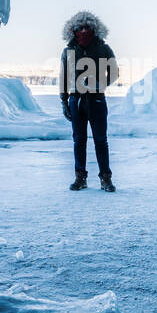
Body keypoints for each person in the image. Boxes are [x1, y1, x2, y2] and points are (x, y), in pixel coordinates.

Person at [59, 11, 118, 191]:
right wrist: (64, 101)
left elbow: (114, 73)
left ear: (94, 28)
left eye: (87, 27)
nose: (84, 31)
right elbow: (63, 77)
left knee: (101, 140)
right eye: (80, 28)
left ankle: (105, 179)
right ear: (73, 29)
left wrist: (100, 84)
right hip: (76, 100)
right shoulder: (68, 51)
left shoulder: (103, 48)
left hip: (97, 99)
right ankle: (80, 178)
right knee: (79, 140)